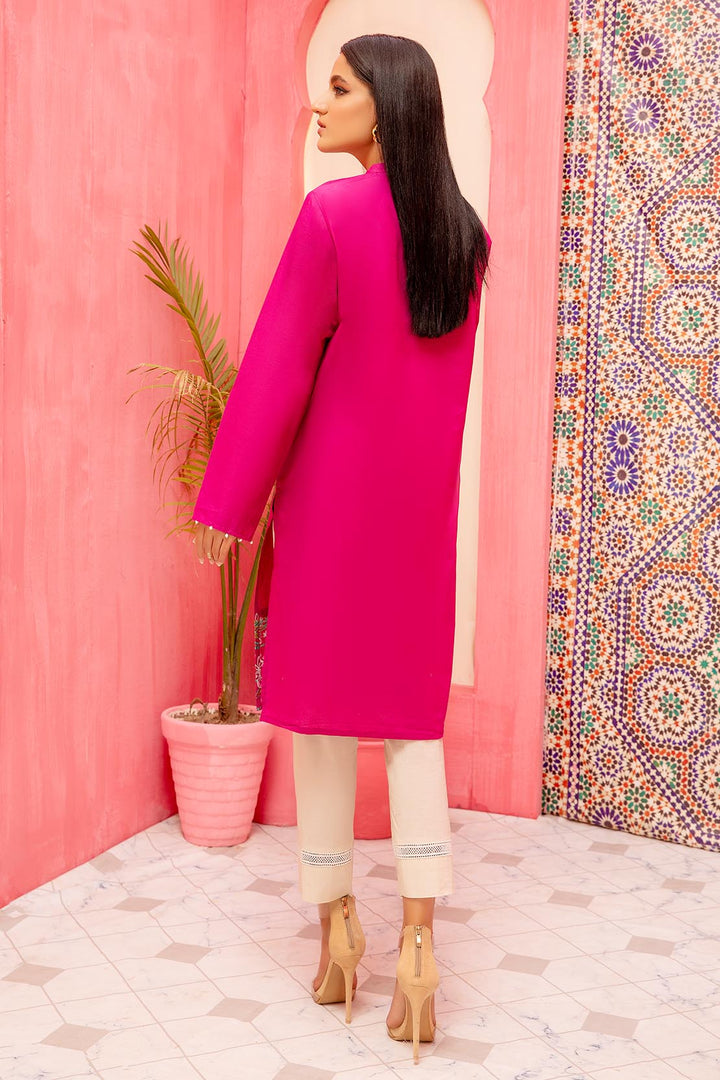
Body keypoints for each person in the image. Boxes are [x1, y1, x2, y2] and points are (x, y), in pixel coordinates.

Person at [191, 33, 491, 1064]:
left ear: (387, 103)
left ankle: (337, 939)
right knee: (411, 728)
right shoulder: (465, 237)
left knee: (319, 723)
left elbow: (277, 369)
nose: (318, 105)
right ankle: (421, 948)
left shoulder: (332, 215)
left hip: (330, 511)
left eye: (338, 88)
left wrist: (229, 502)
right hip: (417, 520)